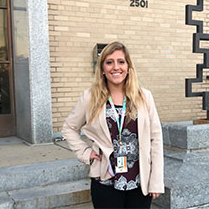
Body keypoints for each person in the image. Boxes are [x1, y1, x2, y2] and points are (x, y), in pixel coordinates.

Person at [62, 41, 164, 209]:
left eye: (121, 62)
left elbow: (156, 139)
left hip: (140, 182)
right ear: (102, 68)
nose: (116, 67)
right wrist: (85, 152)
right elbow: (69, 128)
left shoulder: (144, 96)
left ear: (128, 67)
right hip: (105, 181)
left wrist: (156, 180)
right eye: (109, 62)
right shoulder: (90, 97)